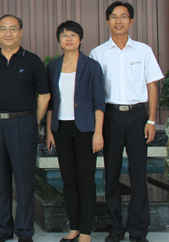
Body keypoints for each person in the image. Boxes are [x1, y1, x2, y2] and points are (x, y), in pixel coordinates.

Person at [89, 2, 164, 242]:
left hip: (137, 116)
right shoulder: (98, 53)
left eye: (123, 16)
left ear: (131, 20)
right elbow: (95, 93)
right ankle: (115, 229)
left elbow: (152, 86)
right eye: (113, 17)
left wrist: (151, 120)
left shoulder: (143, 51)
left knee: (138, 174)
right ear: (107, 21)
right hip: (110, 116)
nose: (118, 21)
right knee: (110, 174)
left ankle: (138, 230)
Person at [0, 14, 50, 242]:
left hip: (24, 123)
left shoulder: (32, 61)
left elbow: (44, 95)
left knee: (24, 180)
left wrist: (34, 120)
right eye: (3, 29)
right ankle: (3, 228)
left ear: (21, 32)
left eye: (13, 28)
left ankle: (24, 230)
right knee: (0, 179)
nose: (8, 33)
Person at [45, 21, 106, 242]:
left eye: (73, 35)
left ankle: (86, 232)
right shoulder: (53, 67)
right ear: (59, 40)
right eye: (64, 35)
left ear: (80, 39)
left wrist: (98, 132)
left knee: (86, 181)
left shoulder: (91, 66)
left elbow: (99, 102)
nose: (68, 39)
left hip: (86, 130)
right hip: (62, 129)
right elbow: (51, 102)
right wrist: (49, 131)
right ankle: (74, 228)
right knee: (68, 180)